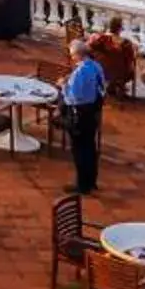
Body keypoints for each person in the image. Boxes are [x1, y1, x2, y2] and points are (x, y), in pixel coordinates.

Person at [62, 45, 107, 194]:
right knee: (90, 148)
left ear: (78, 55)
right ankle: (91, 181)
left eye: (72, 55)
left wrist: (63, 86)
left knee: (80, 150)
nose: (72, 58)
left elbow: (72, 98)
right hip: (93, 113)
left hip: (80, 114)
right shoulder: (96, 66)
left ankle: (82, 185)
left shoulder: (80, 72)